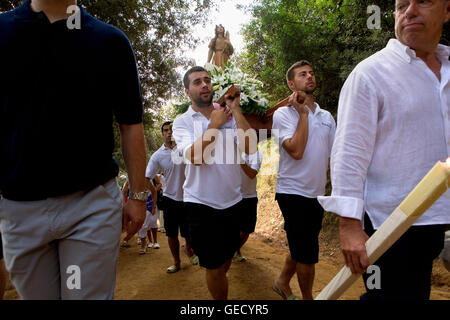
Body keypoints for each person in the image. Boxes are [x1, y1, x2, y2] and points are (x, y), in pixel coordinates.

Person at [0, 0, 147, 299]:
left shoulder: (110, 41)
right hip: (19, 210)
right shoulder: (2, 32)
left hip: (90, 208)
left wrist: (138, 195)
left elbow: (131, 124)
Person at [318, 0, 450, 300]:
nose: (410, 11)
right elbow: (349, 153)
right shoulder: (371, 74)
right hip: (391, 225)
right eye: (402, 5)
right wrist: (350, 225)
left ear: (446, 10)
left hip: (441, 216)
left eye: (424, 2)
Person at [173, 66, 257, 300]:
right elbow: (195, 158)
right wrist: (215, 125)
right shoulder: (182, 122)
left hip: (233, 202)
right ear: (188, 92)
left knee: (225, 260)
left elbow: (251, 148)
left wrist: (236, 110)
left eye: (207, 80)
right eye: (197, 82)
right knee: (214, 267)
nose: (204, 85)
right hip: (201, 204)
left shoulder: (228, 115)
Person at [271, 61, 336, 300]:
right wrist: (302, 115)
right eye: (302, 74)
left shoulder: (327, 116)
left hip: (316, 194)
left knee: (301, 246)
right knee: (307, 252)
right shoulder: (282, 114)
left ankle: (281, 281)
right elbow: (296, 151)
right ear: (291, 84)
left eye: (311, 72)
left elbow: (331, 156)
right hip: (292, 192)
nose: (310, 76)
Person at [146, 121, 197, 273]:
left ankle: (190, 251)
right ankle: (177, 262)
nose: (169, 133)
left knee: (188, 231)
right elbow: (147, 176)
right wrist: (153, 192)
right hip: (169, 199)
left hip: (188, 197)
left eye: (172, 130)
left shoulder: (185, 149)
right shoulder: (157, 155)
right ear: (162, 133)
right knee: (171, 234)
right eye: (166, 130)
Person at [234, 149, 263, 262]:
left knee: (247, 229)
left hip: (250, 196)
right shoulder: (235, 149)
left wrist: (239, 160)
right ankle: (235, 251)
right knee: (233, 228)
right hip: (234, 196)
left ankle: (234, 250)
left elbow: (252, 174)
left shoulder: (257, 154)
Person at [137, 179, 158, 254]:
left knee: (144, 225)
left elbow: (154, 192)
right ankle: (143, 241)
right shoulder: (129, 180)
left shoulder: (146, 180)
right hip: (137, 204)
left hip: (148, 203)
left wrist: (154, 206)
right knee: (138, 223)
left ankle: (143, 245)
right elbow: (125, 192)